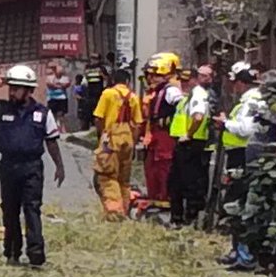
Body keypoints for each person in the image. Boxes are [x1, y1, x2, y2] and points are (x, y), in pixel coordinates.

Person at [0, 64, 66, 266]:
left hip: (32, 167)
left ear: (28, 90)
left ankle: (36, 253)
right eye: (10, 88)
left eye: (16, 88)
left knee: (32, 208)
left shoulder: (43, 113)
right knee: (10, 209)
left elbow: (51, 141)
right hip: (8, 166)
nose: (11, 92)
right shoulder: (0, 108)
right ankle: (12, 251)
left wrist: (59, 166)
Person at [217, 67, 276, 269]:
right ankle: (240, 251)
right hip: (245, 153)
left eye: (235, 82)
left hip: (244, 155)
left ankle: (243, 253)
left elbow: (245, 129)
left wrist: (225, 123)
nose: (233, 87)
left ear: (241, 83)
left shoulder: (251, 102)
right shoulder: (255, 100)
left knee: (238, 203)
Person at [168, 62, 219, 228]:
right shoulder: (189, 95)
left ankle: (188, 218)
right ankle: (181, 218)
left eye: (187, 80)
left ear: (195, 80)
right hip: (186, 142)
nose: (183, 83)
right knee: (178, 182)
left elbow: (198, 117)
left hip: (191, 143)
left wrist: (188, 134)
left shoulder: (198, 94)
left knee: (188, 183)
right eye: (181, 80)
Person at [90, 64, 144, 220]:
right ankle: (125, 209)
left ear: (113, 80)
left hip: (111, 138)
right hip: (127, 138)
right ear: (127, 81)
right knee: (124, 179)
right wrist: (133, 142)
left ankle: (115, 212)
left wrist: (101, 135)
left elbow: (98, 118)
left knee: (107, 176)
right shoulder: (133, 97)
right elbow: (138, 123)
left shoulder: (108, 94)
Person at [142, 53, 184, 215]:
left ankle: (165, 198)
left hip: (165, 135)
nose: (150, 78)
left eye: (154, 75)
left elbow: (180, 106)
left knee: (164, 165)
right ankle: (156, 197)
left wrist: (170, 122)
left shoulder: (171, 91)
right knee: (152, 166)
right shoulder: (158, 91)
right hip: (156, 134)